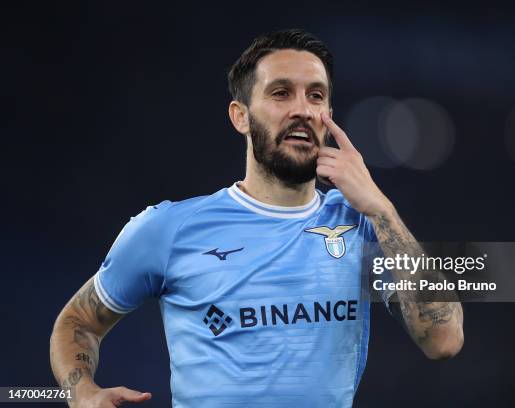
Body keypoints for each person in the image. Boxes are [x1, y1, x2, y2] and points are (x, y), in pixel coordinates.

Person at [50, 28, 463, 408]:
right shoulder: (169, 228)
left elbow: (444, 340)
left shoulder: (365, 225)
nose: (302, 109)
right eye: (281, 93)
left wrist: (379, 207)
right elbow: (78, 321)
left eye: (316, 96)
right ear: (240, 116)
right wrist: (82, 392)